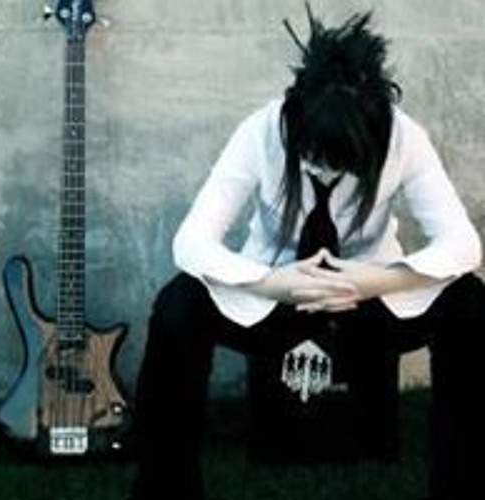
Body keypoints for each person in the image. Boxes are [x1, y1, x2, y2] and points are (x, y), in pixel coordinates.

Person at [129, 6, 484, 500]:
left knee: (470, 304)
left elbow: (463, 244)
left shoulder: (403, 136)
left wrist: (375, 281)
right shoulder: (261, 131)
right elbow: (190, 242)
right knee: (178, 306)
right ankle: (165, 489)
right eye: (315, 156)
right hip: (273, 295)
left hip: (367, 297)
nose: (326, 170)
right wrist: (273, 283)